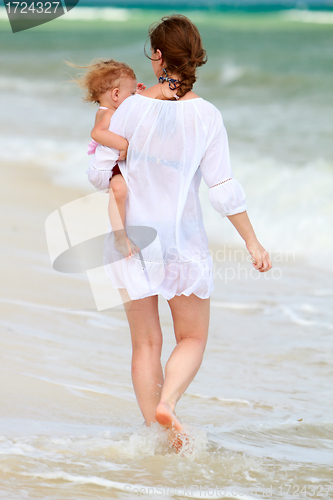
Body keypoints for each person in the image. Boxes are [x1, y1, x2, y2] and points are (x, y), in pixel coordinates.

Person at [96, 15, 272, 450]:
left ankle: (155, 436)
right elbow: (223, 188)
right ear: (193, 58)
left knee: (144, 344)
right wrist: (252, 241)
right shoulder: (207, 116)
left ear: (157, 56)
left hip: (130, 241)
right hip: (183, 244)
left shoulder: (129, 107)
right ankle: (169, 404)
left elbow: (100, 175)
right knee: (192, 337)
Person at [73, 58, 144, 258]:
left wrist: (136, 94)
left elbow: (129, 110)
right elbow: (96, 133)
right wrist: (123, 144)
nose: (133, 97)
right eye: (130, 94)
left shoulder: (112, 109)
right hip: (105, 169)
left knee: (125, 192)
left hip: (111, 165)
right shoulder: (106, 114)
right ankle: (120, 239)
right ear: (115, 94)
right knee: (119, 190)